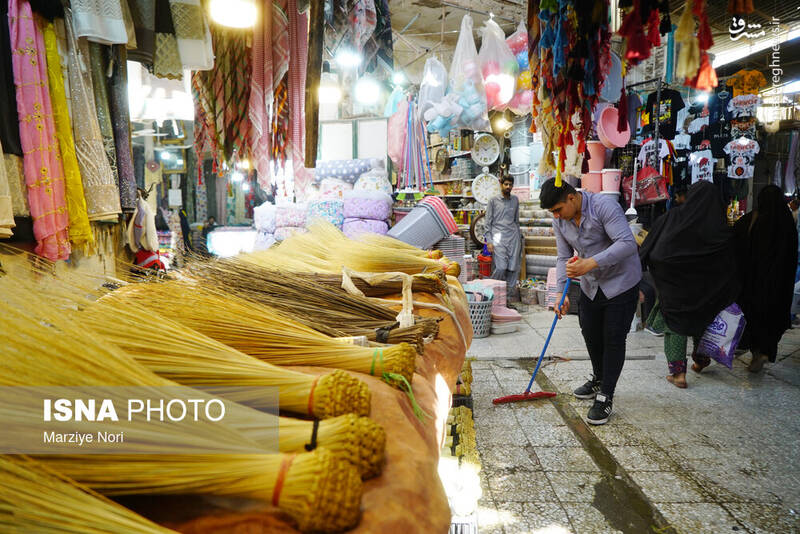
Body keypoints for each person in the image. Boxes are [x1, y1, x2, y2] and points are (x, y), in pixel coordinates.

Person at [540, 177, 641, 425]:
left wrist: (590, 263)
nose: (556, 216)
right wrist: (560, 294)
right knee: (590, 332)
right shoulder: (560, 220)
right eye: (552, 212)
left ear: (572, 198)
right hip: (591, 284)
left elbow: (628, 244)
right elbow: (564, 257)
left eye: (558, 209)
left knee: (613, 336)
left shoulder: (603, 206)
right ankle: (598, 378)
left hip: (621, 282)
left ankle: (606, 394)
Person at [640, 181, 740, 388]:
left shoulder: (671, 218)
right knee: (702, 322)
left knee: (674, 326)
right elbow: (731, 264)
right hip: (706, 290)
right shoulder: (721, 228)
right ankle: (701, 361)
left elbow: (651, 247)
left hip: (673, 286)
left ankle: (678, 375)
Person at [734, 185, 798, 372]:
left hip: (753, 285)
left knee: (754, 319)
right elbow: (792, 254)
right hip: (779, 286)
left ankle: (756, 353)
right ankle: (765, 351)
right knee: (772, 321)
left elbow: (735, 242)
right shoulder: (786, 222)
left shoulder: (751, 220)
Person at [484, 175, 522, 298]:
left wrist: (519, 237)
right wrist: (489, 241)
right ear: (501, 185)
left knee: (513, 269)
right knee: (501, 267)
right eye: (506, 184)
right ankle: (491, 294)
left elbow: (516, 221)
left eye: (510, 185)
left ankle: (507, 300)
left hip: (513, 237)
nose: (508, 187)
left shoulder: (515, 200)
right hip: (498, 237)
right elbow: (487, 223)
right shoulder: (493, 201)